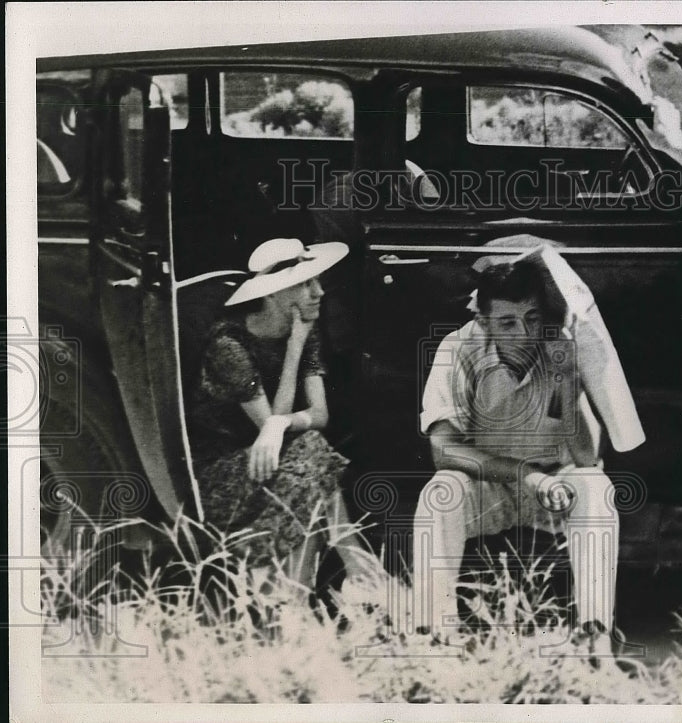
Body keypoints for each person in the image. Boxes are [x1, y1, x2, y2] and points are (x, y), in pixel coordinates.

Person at [411, 254, 621, 658]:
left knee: (596, 487)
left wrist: (566, 386)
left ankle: (594, 637)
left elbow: (585, 457)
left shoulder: (557, 346)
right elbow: (442, 448)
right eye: (507, 322)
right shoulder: (458, 348)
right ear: (485, 321)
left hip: (553, 489)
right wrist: (524, 474)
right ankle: (435, 638)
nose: (523, 333)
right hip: (489, 489)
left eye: (531, 317)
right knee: (441, 491)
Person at [185, 237, 374, 593]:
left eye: (316, 281)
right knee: (311, 461)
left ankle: (303, 596)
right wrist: (294, 351)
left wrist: (280, 423)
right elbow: (269, 432)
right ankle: (357, 570)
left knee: (310, 461)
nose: (318, 291)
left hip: (276, 464)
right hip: (226, 476)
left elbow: (319, 414)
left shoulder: (306, 326)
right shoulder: (229, 346)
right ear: (273, 294)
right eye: (305, 283)